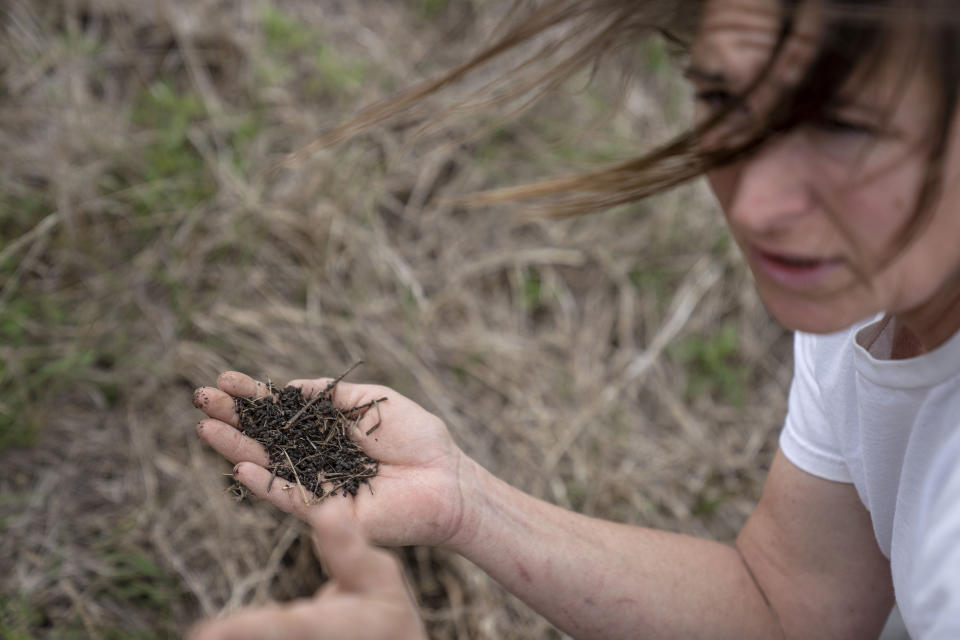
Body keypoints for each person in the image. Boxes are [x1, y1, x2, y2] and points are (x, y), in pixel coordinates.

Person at [189, 0, 960, 637]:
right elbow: (787, 612)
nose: (754, 205)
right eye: (725, 101)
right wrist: (467, 502)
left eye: (846, 127)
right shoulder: (863, 303)